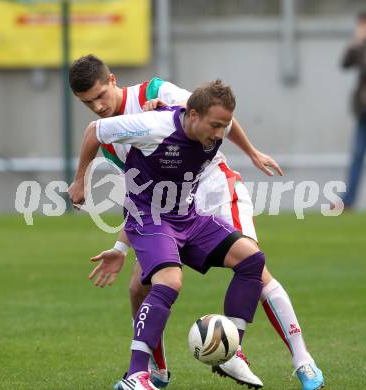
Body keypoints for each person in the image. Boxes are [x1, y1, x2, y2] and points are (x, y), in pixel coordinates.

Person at [68, 55, 324, 390]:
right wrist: (120, 244)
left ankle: (298, 359)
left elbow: (218, 114)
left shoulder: (158, 92)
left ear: (113, 81)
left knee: (255, 269)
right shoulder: (116, 141)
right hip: (170, 208)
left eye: (101, 95)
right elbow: (142, 193)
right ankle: (151, 372)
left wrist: (251, 153)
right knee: (139, 289)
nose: (98, 105)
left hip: (213, 189)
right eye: (88, 102)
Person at [341, 11, 366, 208]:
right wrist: (356, 41)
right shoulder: (360, 46)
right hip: (363, 111)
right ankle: (348, 200)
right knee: (357, 154)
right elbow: (345, 63)